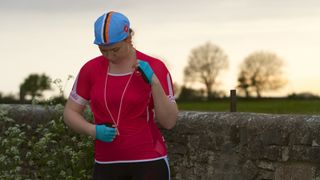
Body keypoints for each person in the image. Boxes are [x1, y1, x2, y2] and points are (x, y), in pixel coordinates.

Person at [63, 11, 179, 180]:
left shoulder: (155, 67)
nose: (110, 56)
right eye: (103, 50)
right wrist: (92, 130)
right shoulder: (90, 69)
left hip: (149, 161)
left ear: (128, 39)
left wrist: (154, 82)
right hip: (106, 163)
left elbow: (169, 122)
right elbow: (69, 113)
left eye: (115, 50)